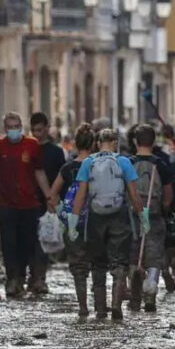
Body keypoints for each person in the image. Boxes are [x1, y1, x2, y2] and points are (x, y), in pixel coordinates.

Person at [69, 128, 146, 320]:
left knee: (98, 263)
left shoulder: (88, 163)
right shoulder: (123, 162)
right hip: (119, 214)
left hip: (96, 216)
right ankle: (116, 303)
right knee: (119, 261)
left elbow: (81, 195)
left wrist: (73, 221)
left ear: (97, 144)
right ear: (115, 143)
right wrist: (142, 217)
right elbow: (134, 194)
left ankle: (101, 309)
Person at [0, 112, 52, 299]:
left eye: (17, 126)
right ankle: (13, 280)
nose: (14, 130)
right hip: (4, 203)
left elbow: (39, 173)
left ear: (21, 127)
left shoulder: (32, 145)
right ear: (5, 129)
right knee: (8, 243)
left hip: (29, 204)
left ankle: (26, 277)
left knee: (27, 243)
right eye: (10, 127)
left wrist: (49, 196)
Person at [50, 123, 95, 317]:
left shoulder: (67, 168)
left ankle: (83, 305)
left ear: (75, 144)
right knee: (98, 263)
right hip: (96, 220)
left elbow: (52, 195)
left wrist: (62, 214)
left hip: (73, 223)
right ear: (93, 144)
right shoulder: (97, 165)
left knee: (78, 266)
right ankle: (102, 306)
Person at [127, 124, 174, 312]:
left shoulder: (128, 163)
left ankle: (134, 293)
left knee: (133, 253)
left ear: (135, 142)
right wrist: (165, 207)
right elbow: (169, 194)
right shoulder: (160, 164)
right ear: (153, 142)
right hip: (154, 214)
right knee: (154, 254)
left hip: (132, 216)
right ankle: (151, 291)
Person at [28, 112, 68, 294]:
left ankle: (39, 278)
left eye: (40, 130)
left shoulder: (56, 152)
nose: (37, 134)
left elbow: (63, 177)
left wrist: (57, 198)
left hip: (47, 201)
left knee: (43, 241)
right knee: (28, 241)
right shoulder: (27, 149)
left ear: (46, 128)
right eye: (34, 130)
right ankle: (31, 276)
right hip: (27, 200)